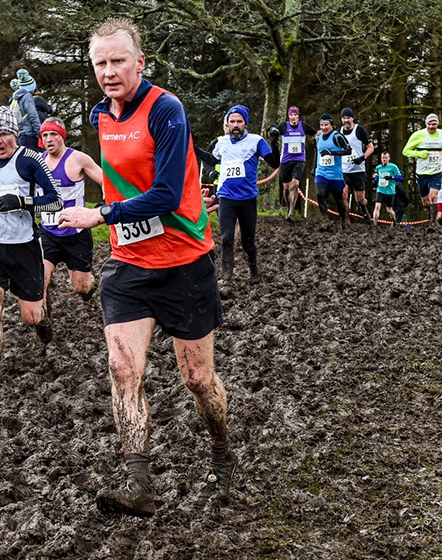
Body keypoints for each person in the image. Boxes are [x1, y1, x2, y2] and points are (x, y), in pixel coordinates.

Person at [56, 17, 234, 518]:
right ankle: (139, 486)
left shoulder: (167, 110)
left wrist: (102, 213)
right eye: (100, 63)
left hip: (184, 264)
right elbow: (116, 176)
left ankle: (220, 445)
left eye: (118, 61)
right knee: (121, 369)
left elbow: (165, 193)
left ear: (140, 61)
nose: (109, 72)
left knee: (197, 379)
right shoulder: (100, 115)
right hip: (129, 265)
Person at [0, 106, 62, 365]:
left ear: (15, 135)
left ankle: (44, 323)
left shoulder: (30, 159)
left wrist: (21, 201)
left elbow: (56, 201)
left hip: (24, 247)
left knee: (31, 317)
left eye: (5, 134)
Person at [201, 104, 280, 284]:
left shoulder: (256, 141)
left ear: (245, 123)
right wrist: (192, 146)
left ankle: (254, 269)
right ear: (227, 124)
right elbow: (211, 159)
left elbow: (274, 163)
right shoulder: (221, 143)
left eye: (239, 121)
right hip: (226, 197)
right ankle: (227, 278)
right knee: (226, 238)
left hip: (247, 200)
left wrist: (275, 143)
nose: (235, 125)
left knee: (247, 243)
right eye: (232, 122)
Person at [37, 116, 104, 304]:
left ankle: (90, 285)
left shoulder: (78, 159)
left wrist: (104, 203)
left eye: (53, 134)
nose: (49, 139)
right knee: (40, 281)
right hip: (48, 232)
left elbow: (105, 181)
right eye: (45, 135)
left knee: (81, 287)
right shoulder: (37, 162)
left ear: (62, 136)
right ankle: (44, 327)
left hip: (76, 234)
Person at [272, 106, 317, 221]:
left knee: (295, 184)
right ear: (289, 116)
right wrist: (271, 132)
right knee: (286, 188)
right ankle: (288, 208)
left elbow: (316, 133)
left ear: (298, 116)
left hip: (299, 159)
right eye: (291, 115)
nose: (293, 117)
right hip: (286, 160)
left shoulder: (304, 126)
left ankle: (291, 212)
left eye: (295, 115)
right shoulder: (284, 126)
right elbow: (273, 133)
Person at [402, 113, 442, 227]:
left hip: (437, 172)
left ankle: (433, 224)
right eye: (429, 124)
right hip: (422, 172)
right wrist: (418, 154)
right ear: (426, 124)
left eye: (434, 124)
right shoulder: (418, 135)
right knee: (425, 201)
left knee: (433, 195)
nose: (431, 127)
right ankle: (430, 215)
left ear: (437, 124)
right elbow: (405, 151)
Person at [314, 113, 351, 227]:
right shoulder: (318, 138)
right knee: (320, 194)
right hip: (321, 172)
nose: (324, 128)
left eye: (326, 125)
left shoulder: (337, 136)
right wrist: (314, 167)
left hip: (335, 175)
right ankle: (325, 219)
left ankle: (343, 220)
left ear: (332, 125)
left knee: (339, 201)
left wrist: (332, 152)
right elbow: (318, 153)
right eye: (321, 125)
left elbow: (348, 151)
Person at [339, 107, 375, 224]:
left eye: (348, 118)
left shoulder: (359, 130)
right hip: (344, 169)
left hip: (358, 170)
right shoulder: (339, 132)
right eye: (344, 118)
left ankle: (365, 211)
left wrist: (362, 157)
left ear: (352, 118)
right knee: (343, 194)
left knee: (359, 199)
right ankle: (346, 219)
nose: (346, 120)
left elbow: (370, 147)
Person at [8, 69, 44, 151]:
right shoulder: (27, 97)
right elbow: (32, 115)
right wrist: (41, 133)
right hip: (29, 136)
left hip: (20, 136)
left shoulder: (15, 98)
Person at [373, 150, 403, 225]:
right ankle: (374, 224)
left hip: (390, 191)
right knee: (377, 206)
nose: (384, 159)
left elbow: (400, 177)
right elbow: (378, 176)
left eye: (386, 158)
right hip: (380, 190)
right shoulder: (378, 167)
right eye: (383, 158)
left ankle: (394, 220)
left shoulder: (393, 167)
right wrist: (375, 181)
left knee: (389, 210)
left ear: (389, 158)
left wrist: (391, 177)